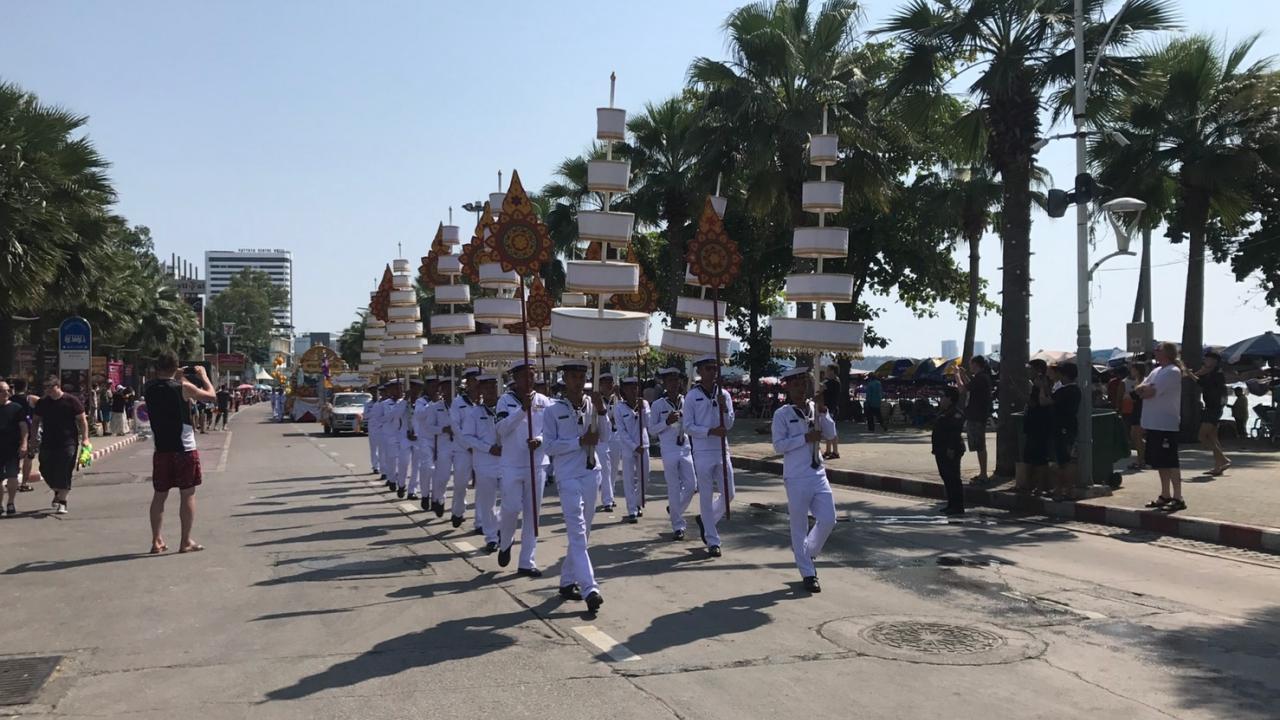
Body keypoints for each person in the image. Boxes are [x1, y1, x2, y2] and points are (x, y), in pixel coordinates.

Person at [542, 361, 605, 613]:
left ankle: (567, 581)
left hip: (591, 472)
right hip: (567, 476)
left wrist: (602, 411)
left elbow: (606, 437)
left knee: (583, 532)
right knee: (577, 532)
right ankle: (590, 588)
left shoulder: (592, 404)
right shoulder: (552, 409)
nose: (579, 381)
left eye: (582, 376)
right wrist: (578, 441)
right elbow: (549, 446)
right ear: (565, 379)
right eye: (574, 377)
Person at [771, 368, 838, 592]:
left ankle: (807, 553)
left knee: (828, 519)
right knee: (799, 525)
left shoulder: (814, 408)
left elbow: (831, 434)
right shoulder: (782, 414)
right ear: (788, 388)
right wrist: (804, 438)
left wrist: (823, 410)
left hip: (817, 472)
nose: (801, 389)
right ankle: (808, 573)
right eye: (796, 385)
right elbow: (779, 446)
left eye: (803, 384)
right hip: (796, 476)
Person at [144, 352, 216, 553]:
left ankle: (156, 540)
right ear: (175, 366)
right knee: (187, 494)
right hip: (184, 448)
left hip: (161, 448)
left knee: (159, 495)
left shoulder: (148, 388)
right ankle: (185, 541)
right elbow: (211, 396)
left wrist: (176, 375)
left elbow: (164, 384)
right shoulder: (183, 387)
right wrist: (203, 376)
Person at [494, 360, 552, 576]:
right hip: (512, 464)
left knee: (532, 514)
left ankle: (527, 561)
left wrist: (540, 439)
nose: (529, 379)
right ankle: (505, 541)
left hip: (536, 463)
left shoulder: (544, 401)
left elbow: (550, 430)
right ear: (515, 378)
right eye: (524, 375)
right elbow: (501, 429)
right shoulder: (505, 401)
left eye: (532, 375)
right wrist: (521, 411)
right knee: (510, 508)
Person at [684, 355, 735, 558]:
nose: (712, 372)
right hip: (703, 450)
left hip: (721, 449)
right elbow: (688, 426)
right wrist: (709, 431)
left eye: (714, 368)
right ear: (699, 371)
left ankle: (707, 520)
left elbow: (729, 423)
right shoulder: (692, 396)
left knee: (729, 493)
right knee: (706, 495)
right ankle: (713, 541)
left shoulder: (724, 394)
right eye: (708, 368)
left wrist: (724, 408)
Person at [1135, 342, 1186, 512]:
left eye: (1159, 349)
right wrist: (1143, 388)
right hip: (1153, 423)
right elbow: (1139, 390)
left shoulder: (1172, 371)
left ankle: (1178, 497)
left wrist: (1145, 389)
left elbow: (1149, 392)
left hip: (1166, 424)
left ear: (1168, 353)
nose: (1155, 352)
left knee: (1171, 461)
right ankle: (1165, 494)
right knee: (1160, 462)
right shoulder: (1156, 371)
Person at [648, 367, 697, 541]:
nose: (674, 384)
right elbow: (652, 430)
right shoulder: (658, 405)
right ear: (665, 383)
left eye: (676, 380)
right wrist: (666, 422)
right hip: (668, 449)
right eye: (670, 381)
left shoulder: (687, 401)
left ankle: (675, 509)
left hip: (685, 447)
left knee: (692, 485)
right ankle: (678, 525)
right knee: (674, 487)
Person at [30, 376, 90, 514]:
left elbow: (82, 420)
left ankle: (63, 502)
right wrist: (33, 439)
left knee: (64, 469)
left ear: (57, 386)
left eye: (50, 387)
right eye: (45, 387)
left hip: (68, 442)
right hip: (48, 441)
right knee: (45, 468)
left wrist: (85, 439)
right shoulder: (43, 402)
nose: (47, 390)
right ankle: (57, 491)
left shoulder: (71, 401)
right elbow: (35, 421)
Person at [460, 374, 502, 553]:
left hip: (506, 461)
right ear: (481, 390)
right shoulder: (475, 413)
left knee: (512, 500)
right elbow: (467, 437)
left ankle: (500, 525)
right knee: (487, 503)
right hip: (485, 463)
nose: (491, 390)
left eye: (494, 386)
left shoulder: (505, 408)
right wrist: (487, 448)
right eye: (487, 387)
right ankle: (491, 537)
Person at [611, 376, 649, 524]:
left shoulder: (644, 403)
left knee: (644, 478)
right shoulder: (619, 408)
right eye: (630, 388)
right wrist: (634, 446)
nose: (633, 390)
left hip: (643, 445)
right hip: (628, 448)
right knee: (629, 479)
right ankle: (631, 509)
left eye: (635, 387)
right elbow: (622, 431)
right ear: (624, 390)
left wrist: (643, 409)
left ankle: (638, 502)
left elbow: (648, 424)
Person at [450, 371, 481, 529]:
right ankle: (458, 511)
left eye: (478, 380)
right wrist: (468, 445)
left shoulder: (485, 402)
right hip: (463, 450)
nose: (476, 383)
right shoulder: (458, 402)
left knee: (483, 485)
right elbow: (455, 427)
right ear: (467, 383)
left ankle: (480, 522)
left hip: (482, 450)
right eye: (473, 380)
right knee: (461, 483)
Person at [1019, 359, 1055, 494]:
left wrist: (1022, 394)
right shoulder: (1035, 384)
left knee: (1040, 458)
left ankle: (1040, 486)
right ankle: (1029, 485)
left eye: (1031, 368)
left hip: (1040, 425)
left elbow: (1036, 403)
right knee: (1029, 456)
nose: (1029, 371)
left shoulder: (1043, 383)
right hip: (1032, 425)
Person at [955, 355, 993, 484]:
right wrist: (963, 375)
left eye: (971, 364)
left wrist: (957, 375)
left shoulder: (981, 377)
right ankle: (982, 473)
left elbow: (962, 389)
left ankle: (983, 474)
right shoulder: (981, 377)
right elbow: (970, 386)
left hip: (977, 415)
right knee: (978, 445)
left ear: (976, 364)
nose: (969, 366)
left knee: (979, 445)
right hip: (977, 414)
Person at [1194, 351, 1231, 475]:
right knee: (1213, 437)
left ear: (1214, 361)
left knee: (1202, 436)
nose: (1205, 361)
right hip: (1210, 407)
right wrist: (1196, 373)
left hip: (1214, 409)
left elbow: (1202, 383)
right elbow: (1200, 380)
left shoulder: (1217, 374)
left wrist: (1191, 374)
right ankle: (1218, 466)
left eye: (1207, 359)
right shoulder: (1209, 373)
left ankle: (1224, 459)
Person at [931, 386, 966, 515]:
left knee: (953, 478)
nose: (941, 399)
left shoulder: (956, 413)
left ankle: (958, 506)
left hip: (950, 450)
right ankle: (951, 504)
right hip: (941, 449)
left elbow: (955, 433)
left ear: (950, 399)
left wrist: (951, 448)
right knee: (946, 477)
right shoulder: (944, 412)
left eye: (943, 397)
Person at [1049, 362, 1082, 501]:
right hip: (1069, 427)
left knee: (1063, 461)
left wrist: (1044, 386)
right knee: (1066, 460)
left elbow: (1045, 401)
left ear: (1065, 375)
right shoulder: (1075, 390)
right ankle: (1067, 490)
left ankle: (1063, 490)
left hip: (1062, 428)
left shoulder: (1065, 391)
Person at [426, 377, 456, 518]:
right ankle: (439, 498)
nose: (448, 390)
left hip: (460, 445)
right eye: (445, 388)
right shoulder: (435, 407)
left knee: (461, 479)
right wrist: (443, 429)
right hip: (444, 445)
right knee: (443, 477)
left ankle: (458, 509)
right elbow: (429, 427)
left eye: (451, 387)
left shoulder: (461, 405)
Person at [0, 381, 30, 516]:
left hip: (12, 448)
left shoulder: (16, 408)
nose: (6, 393)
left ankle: (10, 502)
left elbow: (23, 427)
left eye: (8, 390)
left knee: (12, 476)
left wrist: (24, 444)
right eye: (2, 390)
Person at [409, 377, 436, 504]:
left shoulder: (443, 401)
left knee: (439, 471)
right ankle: (424, 494)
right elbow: (419, 414)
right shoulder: (421, 401)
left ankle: (437, 497)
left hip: (440, 440)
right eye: (432, 386)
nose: (435, 389)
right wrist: (432, 404)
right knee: (427, 467)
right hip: (424, 438)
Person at [594, 373, 618, 512]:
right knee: (605, 469)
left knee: (613, 469)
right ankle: (607, 500)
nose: (609, 385)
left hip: (615, 437)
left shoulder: (616, 399)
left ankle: (610, 494)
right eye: (606, 383)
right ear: (600, 385)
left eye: (611, 382)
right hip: (602, 439)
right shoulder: (597, 399)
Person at [378, 380, 406, 494]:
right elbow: (380, 419)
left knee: (403, 461)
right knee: (392, 460)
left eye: (400, 388)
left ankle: (401, 483)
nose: (399, 391)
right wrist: (393, 413)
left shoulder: (405, 402)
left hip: (403, 436)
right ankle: (392, 479)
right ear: (390, 391)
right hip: (390, 435)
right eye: (396, 389)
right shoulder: (384, 404)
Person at [11, 380, 37, 492]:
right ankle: (24, 483)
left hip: (12, 432)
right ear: (26, 387)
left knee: (13, 458)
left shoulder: (9, 399)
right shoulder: (29, 399)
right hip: (28, 432)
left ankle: (12, 480)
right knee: (28, 458)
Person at [821, 365, 841, 460]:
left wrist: (813, 378)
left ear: (832, 371)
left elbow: (821, 387)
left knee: (832, 430)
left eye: (827, 370)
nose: (826, 372)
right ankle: (828, 450)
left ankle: (835, 452)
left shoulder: (834, 382)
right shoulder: (829, 381)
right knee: (827, 429)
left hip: (832, 408)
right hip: (828, 408)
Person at [363, 385, 383, 477]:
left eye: (376, 391)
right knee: (374, 448)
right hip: (373, 428)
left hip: (383, 427)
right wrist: (374, 411)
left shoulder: (383, 402)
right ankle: (375, 466)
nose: (375, 393)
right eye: (373, 391)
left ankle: (383, 467)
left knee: (383, 449)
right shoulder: (368, 403)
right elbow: (365, 416)